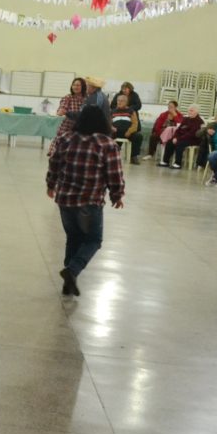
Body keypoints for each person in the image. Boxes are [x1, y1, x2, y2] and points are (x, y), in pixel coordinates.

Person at [47, 105, 125, 296]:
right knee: (93, 240)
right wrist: (117, 195)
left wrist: (51, 185)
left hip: (65, 199)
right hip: (89, 202)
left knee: (73, 238)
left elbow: (54, 164)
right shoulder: (107, 144)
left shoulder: (65, 139)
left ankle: (69, 281)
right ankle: (72, 271)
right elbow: (114, 174)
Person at [110, 94, 143, 164]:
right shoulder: (112, 111)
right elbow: (108, 123)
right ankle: (111, 154)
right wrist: (111, 128)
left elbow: (135, 124)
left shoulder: (131, 111)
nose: (119, 102)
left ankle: (134, 156)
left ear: (126, 102)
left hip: (127, 132)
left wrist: (129, 131)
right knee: (107, 135)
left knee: (138, 136)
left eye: (121, 101)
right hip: (115, 131)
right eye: (118, 101)